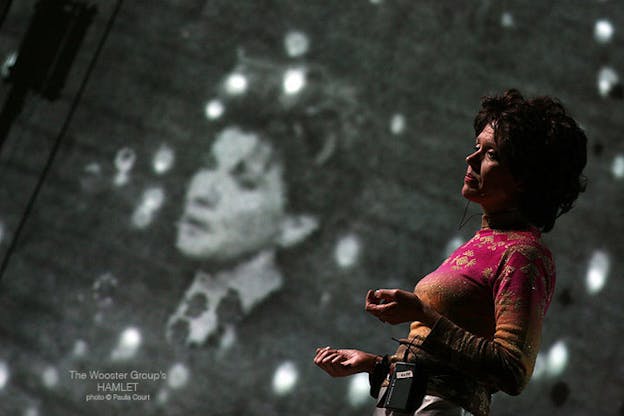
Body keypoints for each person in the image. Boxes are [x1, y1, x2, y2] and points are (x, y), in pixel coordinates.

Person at [314, 89, 587, 416]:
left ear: (525, 178)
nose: (471, 160)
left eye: (491, 154)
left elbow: (512, 370)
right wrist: (374, 365)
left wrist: (423, 313)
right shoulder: (481, 244)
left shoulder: (523, 255)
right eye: (476, 147)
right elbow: (443, 369)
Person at [166, 55, 368, 347]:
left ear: (296, 225)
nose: (203, 193)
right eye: (208, 166)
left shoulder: (290, 344)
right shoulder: (144, 292)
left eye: (244, 183)